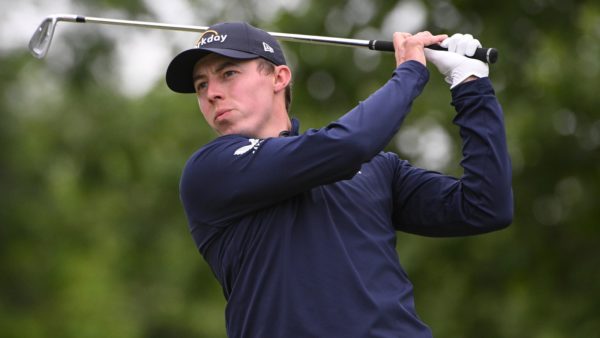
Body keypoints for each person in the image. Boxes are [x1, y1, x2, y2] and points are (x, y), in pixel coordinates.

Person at [165, 21, 513, 338]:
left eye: (227, 74)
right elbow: (349, 144)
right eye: (201, 85)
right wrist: (409, 71)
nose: (211, 93)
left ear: (279, 77)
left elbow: (484, 206)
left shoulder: (377, 167)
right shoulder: (211, 170)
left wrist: (471, 85)